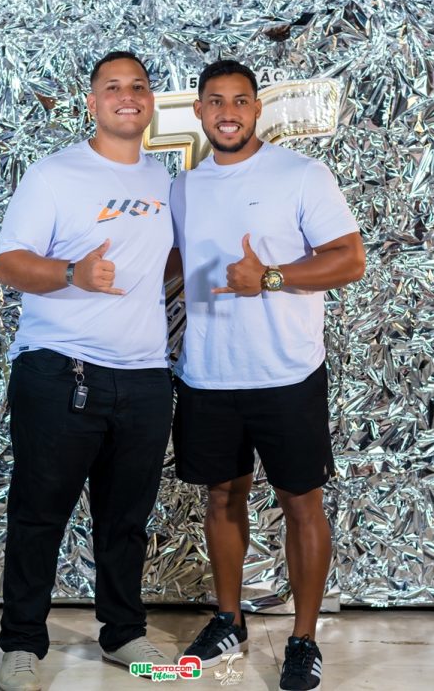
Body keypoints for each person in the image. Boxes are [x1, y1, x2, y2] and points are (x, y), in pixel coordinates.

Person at [170, 59, 365, 691]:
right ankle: (229, 620)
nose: (228, 112)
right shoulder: (183, 187)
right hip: (209, 373)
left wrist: (271, 277)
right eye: (216, 101)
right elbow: (170, 263)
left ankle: (303, 639)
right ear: (199, 111)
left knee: (300, 502)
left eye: (240, 101)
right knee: (221, 497)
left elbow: (350, 259)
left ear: (257, 109)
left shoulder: (301, 174)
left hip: (286, 372)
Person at [0, 51, 174, 691]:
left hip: (145, 376)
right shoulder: (54, 174)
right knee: (39, 514)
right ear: (93, 102)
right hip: (60, 370)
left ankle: (123, 632)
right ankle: (22, 644)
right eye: (113, 87)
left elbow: (167, 260)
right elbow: (9, 262)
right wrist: (73, 273)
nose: (127, 95)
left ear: (150, 102)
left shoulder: (165, 181)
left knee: (126, 519)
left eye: (138, 86)